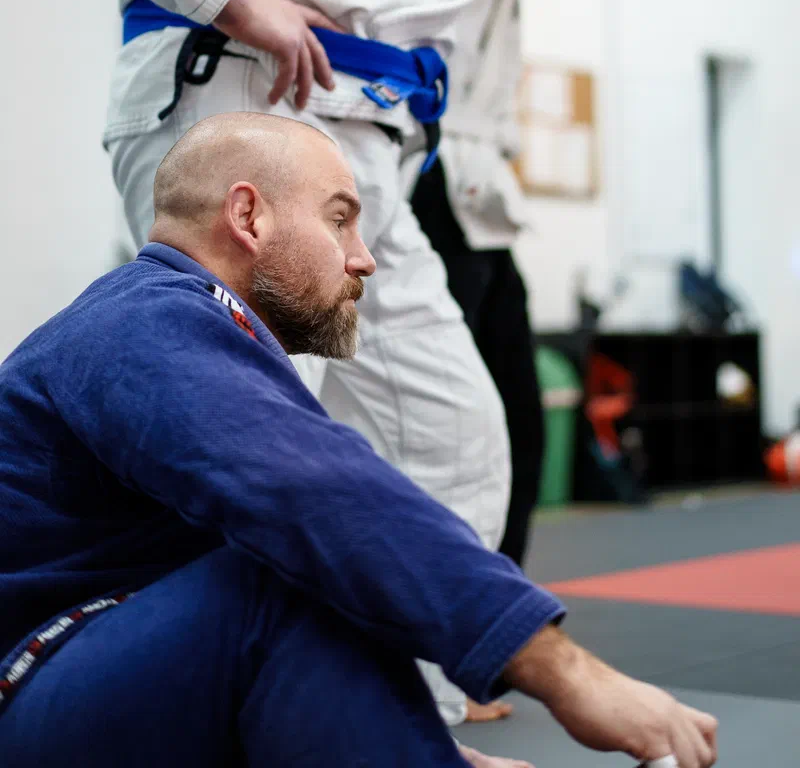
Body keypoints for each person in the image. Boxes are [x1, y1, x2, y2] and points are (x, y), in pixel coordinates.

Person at [40, 0, 507, 725]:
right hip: (245, 106)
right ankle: (172, 709)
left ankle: (386, 719)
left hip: (349, 134)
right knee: (231, 455)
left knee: (447, 431)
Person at [0, 114, 719, 768]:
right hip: (28, 692)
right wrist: (568, 674)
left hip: (92, 676)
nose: (363, 257)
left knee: (312, 567)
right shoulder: (145, 322)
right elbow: (317, 496)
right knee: (295, 571)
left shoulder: (180, 328)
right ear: (248, 215)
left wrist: (418, 745)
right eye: (339, 220)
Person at [407, 0, 542, 568]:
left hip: (480, 196)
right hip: (420, 181)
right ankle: (442, 627)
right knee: (444, 425)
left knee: (516, 418)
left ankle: (495, 622)